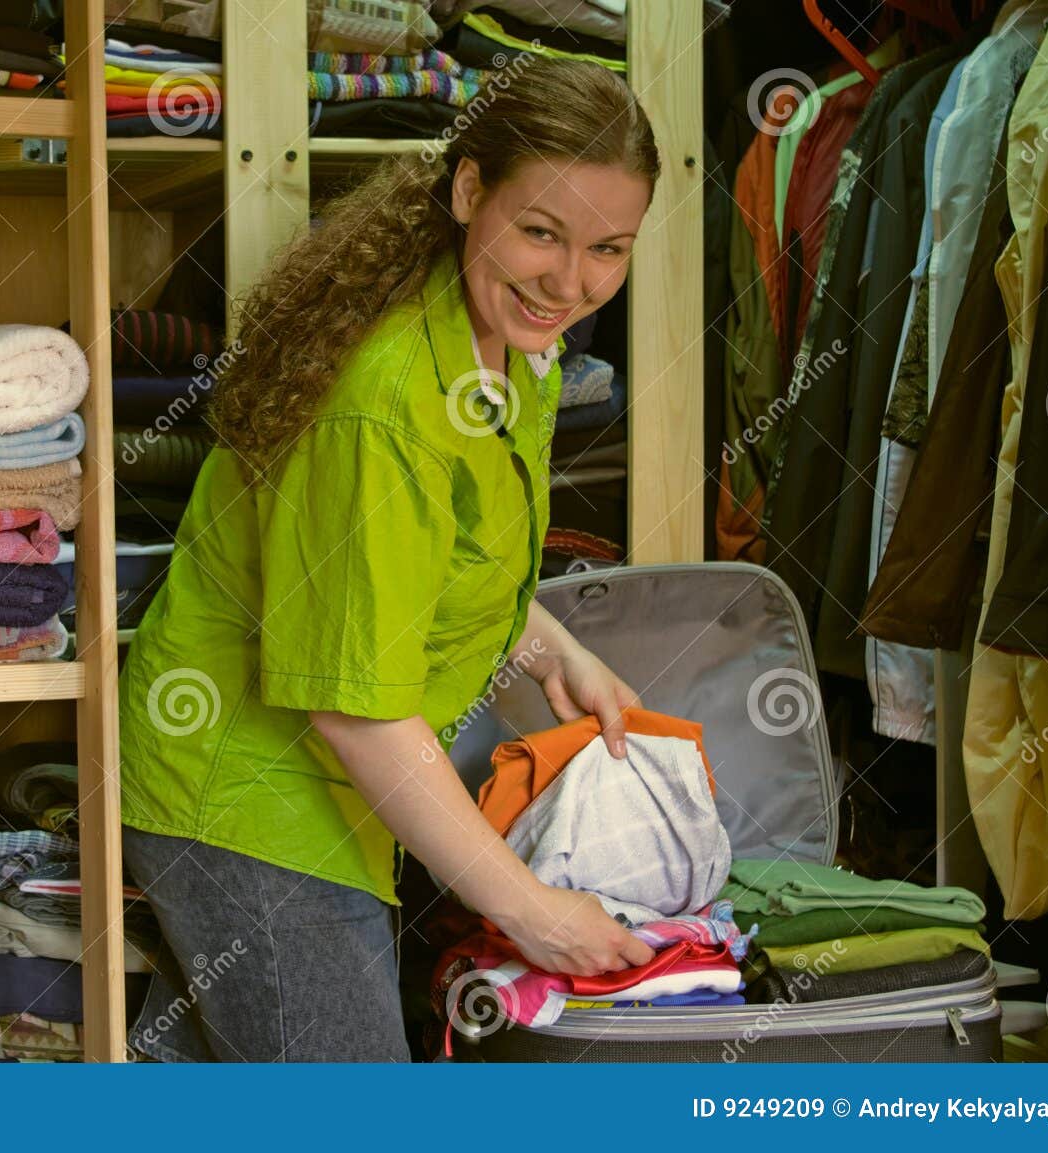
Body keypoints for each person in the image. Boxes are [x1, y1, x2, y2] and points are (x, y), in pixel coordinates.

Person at [117, 56, 660, 1061]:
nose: (570, 283)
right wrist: (532, 909)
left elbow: (423, 560)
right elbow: (356, 713)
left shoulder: (512, 345)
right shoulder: (386, 401)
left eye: (607, 249)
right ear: (468, 191)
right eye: (541, 232)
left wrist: (554, 650)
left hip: (335, 787)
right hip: (250, 797)